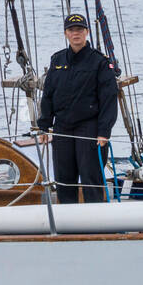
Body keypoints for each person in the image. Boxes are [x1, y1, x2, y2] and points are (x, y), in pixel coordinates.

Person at [36, 13, 118, 204]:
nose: (76, 34)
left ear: (87, 32)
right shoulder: (57, 60)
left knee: (91, 178)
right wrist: (44, 126)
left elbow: (109, 99)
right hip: (62, 127)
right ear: (66, 33)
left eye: (80, 30)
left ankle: (96, 225)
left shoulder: (100, 62)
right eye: (72, 30)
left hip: (88, 127)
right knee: (64, 180)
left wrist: (104, 132)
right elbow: (48, 95)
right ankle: (67, 224)